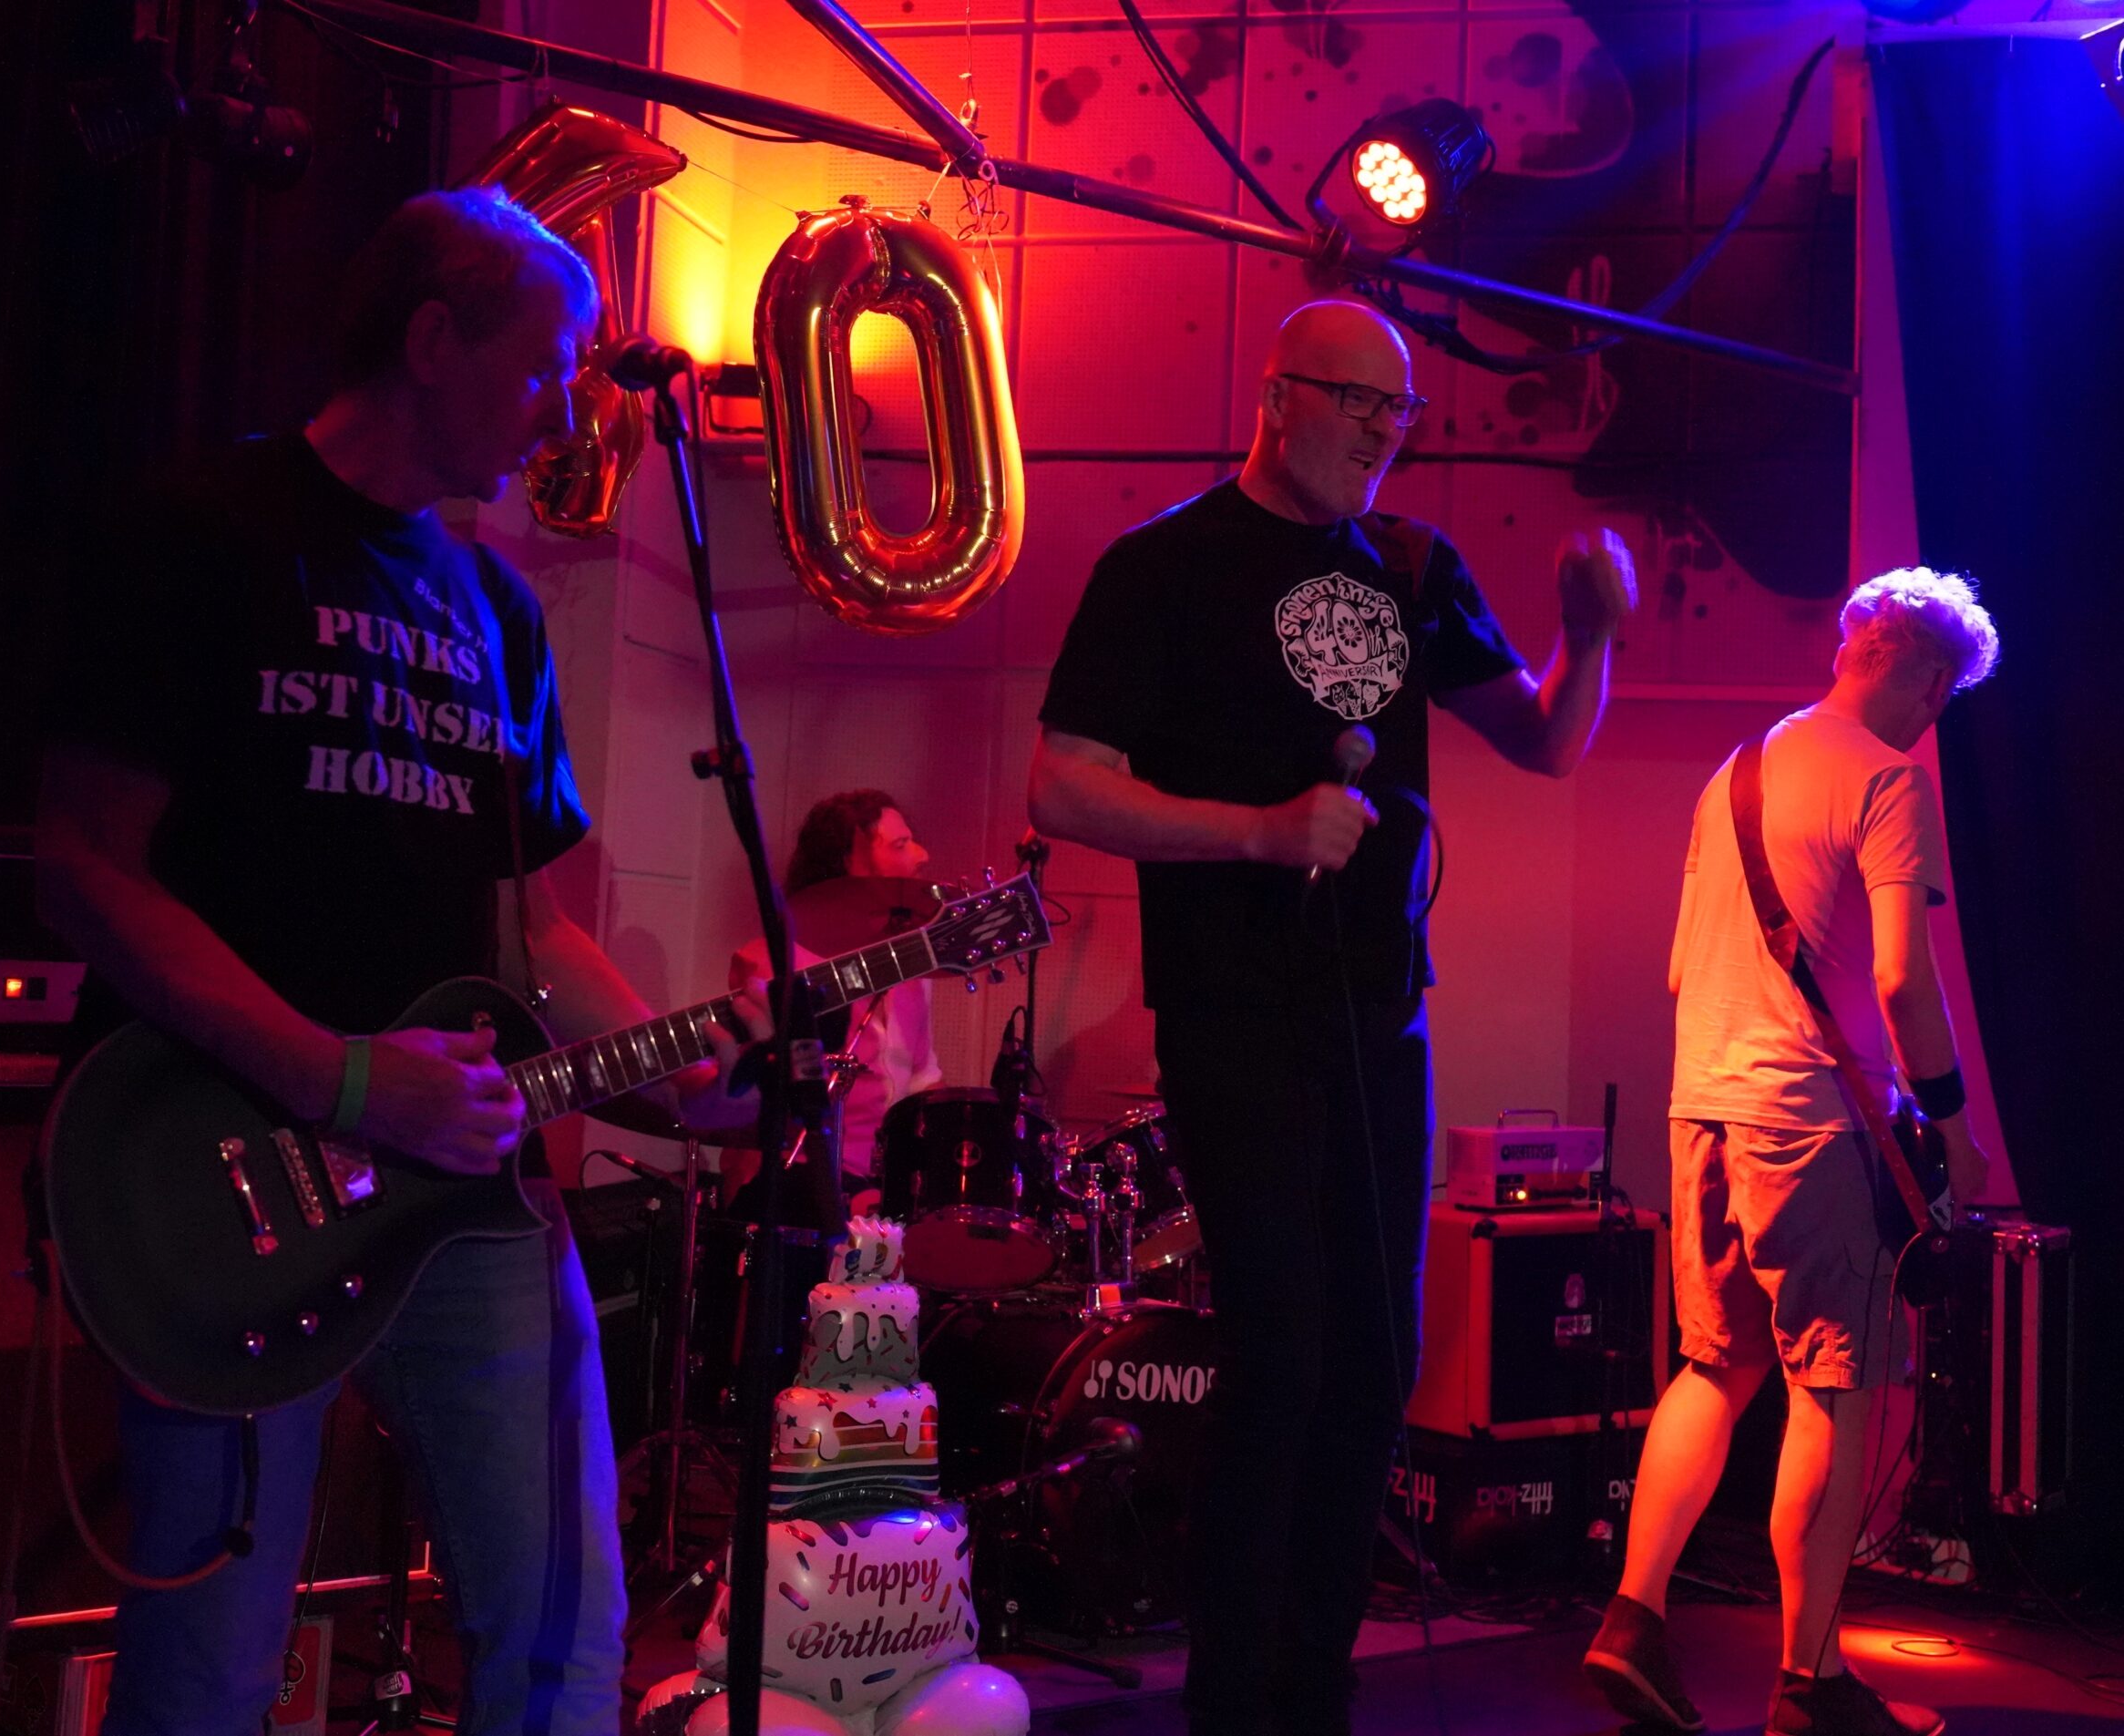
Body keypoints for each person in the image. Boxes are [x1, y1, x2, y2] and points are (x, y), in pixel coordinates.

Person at [36, 189, 759, 1736]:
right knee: (212, 1667)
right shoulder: (201, 532)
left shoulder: (499, 610)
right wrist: (342, 1078)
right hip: (223, 1183)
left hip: (469, 1195)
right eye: (546, 366)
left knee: (563, 1635)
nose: (566, 408)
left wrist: (686, 1078)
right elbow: (87, 863)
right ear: (433, 340)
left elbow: (534, 932)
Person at [1028, 298, 1636, 1736]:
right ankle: (1233, 1698)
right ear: (1277, 398)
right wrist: (1256, 830)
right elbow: (1063, 783)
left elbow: (1546, 739)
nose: (1383, 432)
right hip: (1236, 1010)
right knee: (1283, 1354)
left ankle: (1313, 1688)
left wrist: (1589, 634)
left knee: (1374, 1361)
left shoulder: (1412, 566)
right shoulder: (1163, 567)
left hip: (1378, 1013)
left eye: (1399, 410)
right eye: (1360, 402)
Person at [1583, 569, 1997, 1736]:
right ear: (1927, 678)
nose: (1936, 716)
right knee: (1835, 1388)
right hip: (1808, 1122)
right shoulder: (1887, 780)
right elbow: (1901, 979)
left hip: (1701, 1106)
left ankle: (1630, 1622)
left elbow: (1680, 969)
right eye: (1944, 695)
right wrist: (1954, 1132)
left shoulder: (1735, 772)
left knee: (1711, 1367)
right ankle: (1811, 1685)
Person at [728, 792, 944, 1208]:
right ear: (851, 864)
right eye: (901, 845)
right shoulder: (774, 962)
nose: (923, 856)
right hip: (799, 1184)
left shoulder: (914, 972)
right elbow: (749, 1109)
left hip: (883, 1190)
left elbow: (922, 1080)